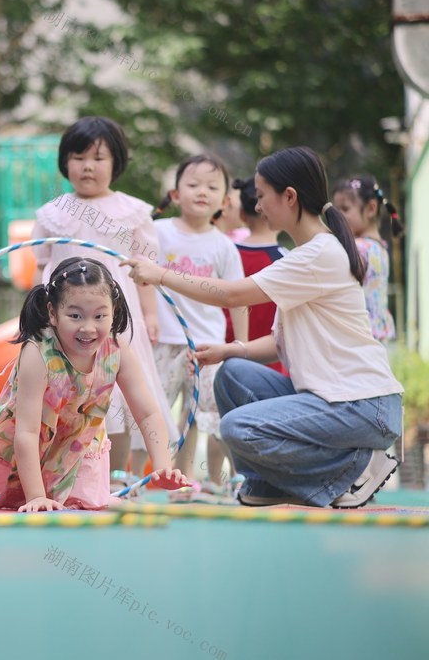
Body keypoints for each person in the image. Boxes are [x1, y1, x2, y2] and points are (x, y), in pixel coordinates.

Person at [125, 146, 404, 509]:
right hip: (334, 399)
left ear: (289, 197)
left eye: (261, 196)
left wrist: (160, 274)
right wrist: (231, 350)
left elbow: (230, 295)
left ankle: (352, 470)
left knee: (237, 428)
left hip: (362, 406)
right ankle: (266, 484)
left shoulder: (317, 254)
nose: (256, 207)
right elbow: (281, 341)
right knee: (232, 374)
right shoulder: (307, 253)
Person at [0, 257, 189, 511]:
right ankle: (39, 492)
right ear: (52, 313)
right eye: (75, 316)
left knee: (89, 503)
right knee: (36, 503)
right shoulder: (38, 353)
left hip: (81, 440)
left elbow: (147, 414)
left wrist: (162, 467)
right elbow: (26, 431)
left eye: (100, 316)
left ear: (113, 312)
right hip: (32, 440)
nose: (88, 328)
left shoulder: (117, 351)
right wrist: (36, 495)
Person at [30, 116, 177, 492]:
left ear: (116, 163)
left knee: (121, 397)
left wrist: (149, 315)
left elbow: (145, 271)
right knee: (68, 397)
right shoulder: (52, 213)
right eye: (78, 158)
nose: (88, 166)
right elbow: (41, 266)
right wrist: (37, 318)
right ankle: (71, 477)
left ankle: (120, 478)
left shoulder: (133, 212)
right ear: (66, 163)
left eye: (98, 158)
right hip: (64, 322)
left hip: (117, 320)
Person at [152, 155, 248, 500]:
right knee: (159, 408)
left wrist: (241, 345)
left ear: (224, 201)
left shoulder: (223, 246)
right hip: (164, 339)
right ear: (175, 194)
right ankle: (176, 478)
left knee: (207, 412)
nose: (201, 192)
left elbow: (238, 297)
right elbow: (141, 281)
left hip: (210, 346)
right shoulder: (158, 232)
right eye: (193, 185)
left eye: (211, 187)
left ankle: (227, 478)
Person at [223, 177, 288, 376]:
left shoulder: (226, 253)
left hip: (222, 355)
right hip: (271, 363)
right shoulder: (287, 260)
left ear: (242, 215)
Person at [331, 175, 403, 343]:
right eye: (336, 210)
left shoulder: (359, 248)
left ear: (371, 208)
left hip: (359, 339)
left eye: (345, 208)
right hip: (377, 339)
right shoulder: (380, 247)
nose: (338, 217)